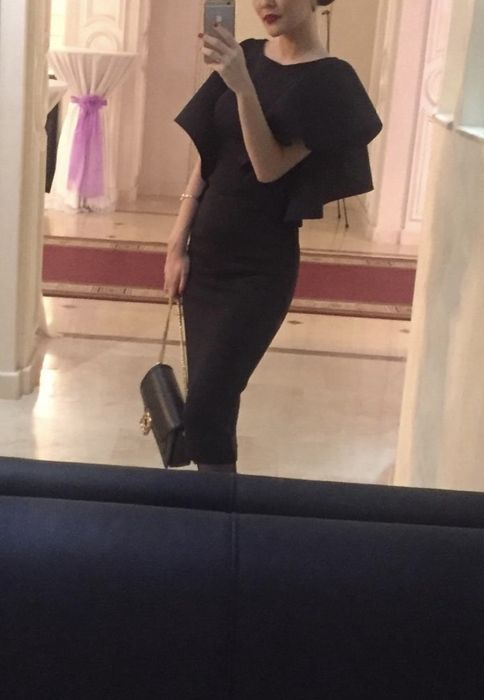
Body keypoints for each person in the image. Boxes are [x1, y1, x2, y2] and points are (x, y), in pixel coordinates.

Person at [163, 0, 383, 474]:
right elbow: (210, 155)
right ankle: (213, 505)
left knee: (205, 406)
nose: (267, 2)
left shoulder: (331, 82)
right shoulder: (246, 52)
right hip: (206, 256)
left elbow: (269, 167)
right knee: (212, 408)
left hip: (258, 270)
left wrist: (243, 86)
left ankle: (218, 508)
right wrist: (177, 240)